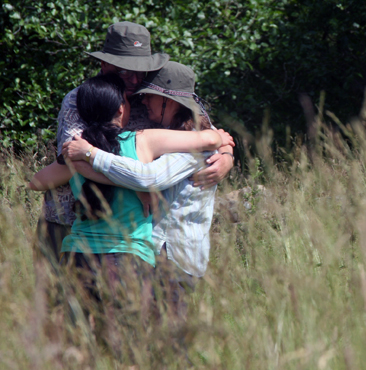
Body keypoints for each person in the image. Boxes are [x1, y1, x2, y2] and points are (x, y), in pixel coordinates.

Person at [38, 21, 233, 265]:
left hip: (129, 235)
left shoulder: (152, 94)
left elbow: (202, 130)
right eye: (123, 70)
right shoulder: (80, 99)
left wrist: (226, 156)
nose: (132, 78)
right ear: (104, 64)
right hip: (71, 222)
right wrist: (139, 186)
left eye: (139, 70)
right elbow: (76, 159)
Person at [61, 61, 235, 327]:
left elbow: (148, 178)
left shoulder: (191, 148)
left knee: (165, 342)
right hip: (154, 254)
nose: (145, 103)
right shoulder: (178, 140)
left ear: (171, 103)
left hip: (175, 259)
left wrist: (90, 154)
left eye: (152, 97)